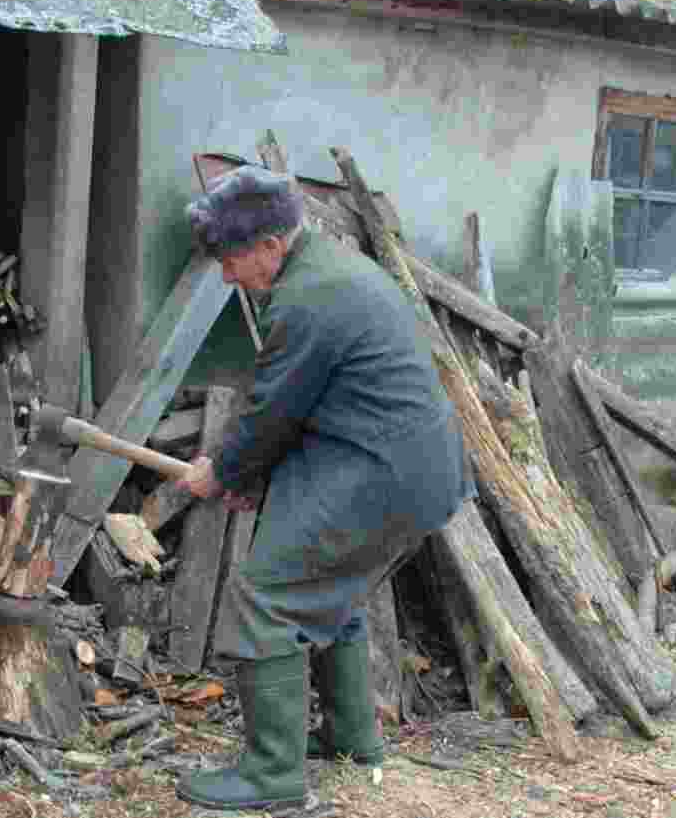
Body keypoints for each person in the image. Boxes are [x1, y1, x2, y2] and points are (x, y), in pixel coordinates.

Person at [175, 165, 475, 812]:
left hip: (382, 470)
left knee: (267, 595)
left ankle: (271, 777)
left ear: (269, 247)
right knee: (332, 585)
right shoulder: (331, 272)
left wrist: (222, 470)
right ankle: (351, 735)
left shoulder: (305, 299)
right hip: (402, 466)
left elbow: (274, 411)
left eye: (230, 260)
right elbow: (310, 409)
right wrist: (257, 480)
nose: (227, 276)